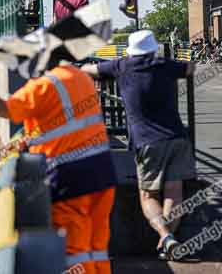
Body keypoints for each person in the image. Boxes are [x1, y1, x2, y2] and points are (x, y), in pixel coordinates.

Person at [0, 58, 116, 274]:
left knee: (74, 251)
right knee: (97, 247)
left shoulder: (42, 86)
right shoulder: (81, 77)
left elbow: (4, 109)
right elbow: (65, 123)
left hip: (69, 179)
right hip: (103, 173)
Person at [82, 30, 196, 260]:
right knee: (174, 192)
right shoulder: (164, 64)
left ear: (131, 51)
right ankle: (169, 245)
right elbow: (190, 68)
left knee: (148, 195)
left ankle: (165, 236)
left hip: (147, 142)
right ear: (153, 48)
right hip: (177, 137)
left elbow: (89, 70)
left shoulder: (122, 66)